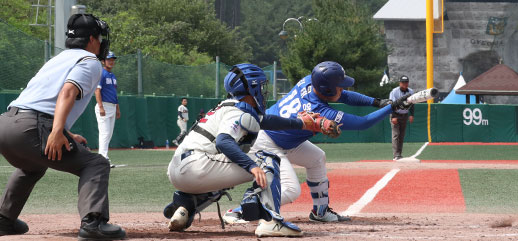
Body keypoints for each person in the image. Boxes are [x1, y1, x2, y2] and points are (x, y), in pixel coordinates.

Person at [222, 61, 410, 224]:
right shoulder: (319, 110)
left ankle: (320, 212)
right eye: (340, 85)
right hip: (267, 140)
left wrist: (378, 102)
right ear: (327, 89)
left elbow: (343, 96)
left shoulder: (310, 81)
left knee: (317, 157)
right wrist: (392, 107)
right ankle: (240, 210)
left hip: (286, 138)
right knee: (290, 189)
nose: (343, 89)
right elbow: (363, 123)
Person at [162, 64, 337, 237]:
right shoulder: (237, 111)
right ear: (252, 89)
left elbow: (266, 121)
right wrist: (252, 166)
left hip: (179, 170)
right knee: (268, 158)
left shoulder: (229, 105)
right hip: (196, 166)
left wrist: (302, 123)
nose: (263, 90)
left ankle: (186, 206)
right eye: (260, 86)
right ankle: (271, 221)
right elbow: (224, 141)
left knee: (231, 164)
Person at [0, 14, 125, 240]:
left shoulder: (58, 59)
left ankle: (3, 220)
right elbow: (67, 91)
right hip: (32, 126)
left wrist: (66, 133)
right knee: (96, 163)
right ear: (91, 39)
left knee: (32, 165)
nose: (101, 41)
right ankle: (93, 224)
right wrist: (57, 132)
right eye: (99, 37)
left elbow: (40, 101)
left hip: (6, 124)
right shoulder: (90, 61)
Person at [94, 51, 120, 168]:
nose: (111, 61)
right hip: (103, 105)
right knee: (104, 133)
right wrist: (100, 107)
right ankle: (102, 159)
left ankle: (104, 157)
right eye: (109, 59)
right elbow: (97, 90)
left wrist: (117, 108)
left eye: (113, 59)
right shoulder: (102, 74)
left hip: (112, 106)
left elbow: (114, 93)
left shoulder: (112, 76)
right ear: (103, 61)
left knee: (108, 134)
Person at [389, 75, 415, 161]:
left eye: (406, 82)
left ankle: (399, 154)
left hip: (404, 115)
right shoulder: (394, 92)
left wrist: (411, 115)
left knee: (401, 135)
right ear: (400, 83)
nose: (405, 84)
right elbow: (391, 105)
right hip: (396, 114)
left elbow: (412, 104)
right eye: (403, 82)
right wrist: (393, 116)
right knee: (396, 134)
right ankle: (396, 155)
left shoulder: (411, 91)